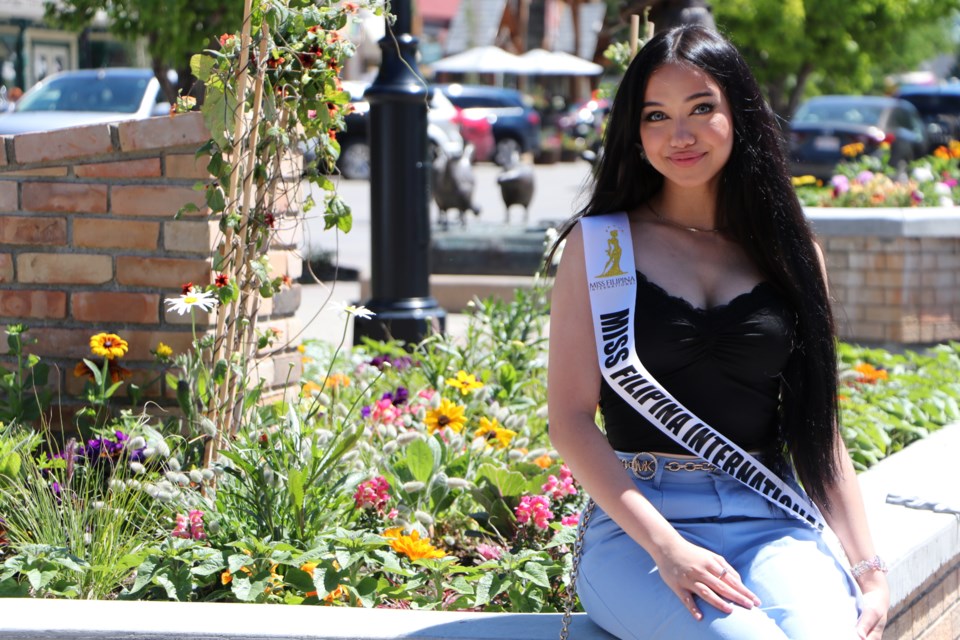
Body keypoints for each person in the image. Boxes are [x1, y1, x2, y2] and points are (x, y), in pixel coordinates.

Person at [547, 25, 889, 640]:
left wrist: (868, 570)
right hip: (640, 533)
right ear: (635, 130)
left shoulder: (791, 253)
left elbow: (818, 428)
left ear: (740, 115)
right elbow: (570, 421)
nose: (680, 135)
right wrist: (667, 547)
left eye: (702, 108)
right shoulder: (600, 248)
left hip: (771, 522)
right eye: (657, 115)